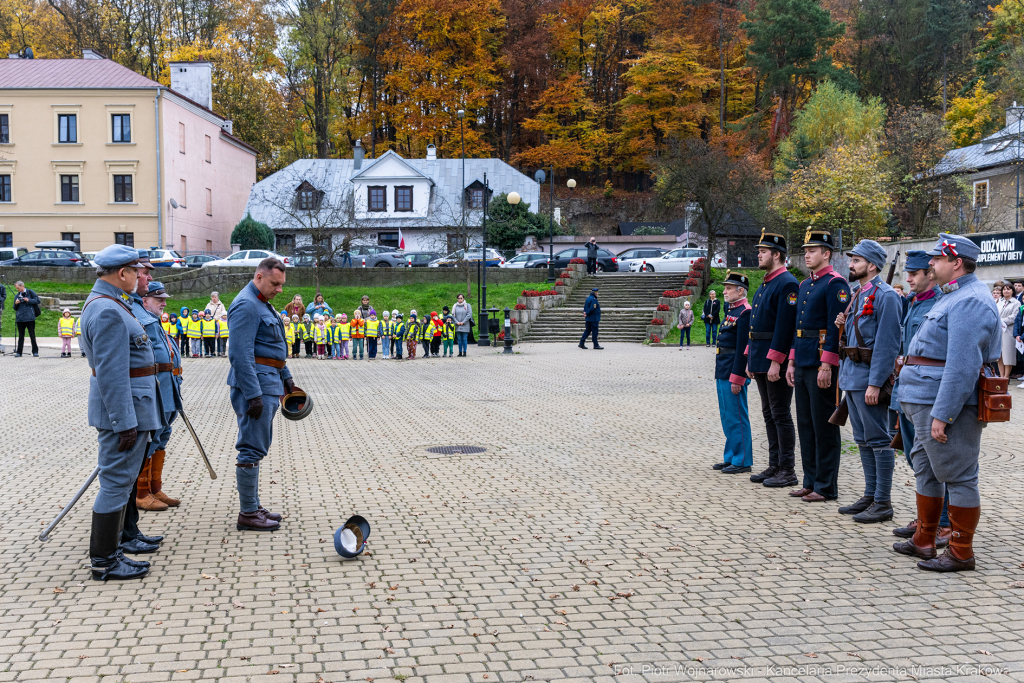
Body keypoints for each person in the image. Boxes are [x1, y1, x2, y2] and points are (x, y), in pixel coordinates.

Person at [895, 233, 1001, 571]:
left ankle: (960, 551)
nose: (931, 264)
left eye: (938, 259)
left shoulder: (970, 300)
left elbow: (963, 365)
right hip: (922, 398)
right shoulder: (951, 296)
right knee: (926, 471)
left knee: (959, 475)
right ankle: (925, 539)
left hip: (942, 403)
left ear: (956, 263)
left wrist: (944, 414)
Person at [79, 244, 163, 581]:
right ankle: (104, 561)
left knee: (120, 482)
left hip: (132, 409)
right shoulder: (109, 311)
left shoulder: (112, 304)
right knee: (115, 484)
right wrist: (124, 422)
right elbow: (111, 373)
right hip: (124, 413)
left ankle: (113, 551)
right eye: (135, 270)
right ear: (123, 273)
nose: (140, 275)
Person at [227, 258, 302, 532]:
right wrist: (253, 395)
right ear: (259, 277)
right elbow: (239, 353)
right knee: (251, 446)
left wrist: (287, 378)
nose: (280, 290)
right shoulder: (247, 304)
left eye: (282, 285)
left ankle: (253, 505)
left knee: (257, 446)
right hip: (255, 386)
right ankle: (248, 513)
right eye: (275, 284)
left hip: (268, 381)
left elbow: (271, 348)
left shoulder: (260, 302)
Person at [836, 239, 901, 523]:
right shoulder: (857, 293)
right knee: (862, 440)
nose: (851, 265)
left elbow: (888, 344)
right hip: (852, 377)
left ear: (871, 265)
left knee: (879, 440)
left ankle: (883, 501)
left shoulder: (886, 296)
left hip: (868, 380)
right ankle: (870, 494)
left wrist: (876, 383)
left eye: (856, 260)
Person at [785, 230, 851, 503]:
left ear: (827, 253)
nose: (807, 254)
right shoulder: (804, 285)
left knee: (824, 425)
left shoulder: (836, 284)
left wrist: (827, 364)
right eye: (806, 250)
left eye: (813, 250)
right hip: (802, 359)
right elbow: (797, 327)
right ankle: (809, 480)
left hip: (821, 361)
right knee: (805, 424)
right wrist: (790, 360)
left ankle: (825, 485)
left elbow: (835, 330)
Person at [890, 251, 950, 548]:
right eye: (907, 274)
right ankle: (927, 520)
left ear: (929, 273)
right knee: (918, 460)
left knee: (937, 462)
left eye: (914, 274)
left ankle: (943, 523)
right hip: (908, 388)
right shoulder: (913, 303)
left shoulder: (940, 303)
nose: (909, 279)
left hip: (928, 393)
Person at [745, 231, 800, 488]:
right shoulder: (768, 282)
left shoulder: (787, 283)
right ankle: (775, 464)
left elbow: (785, 326)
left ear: (776, 255)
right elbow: (756, 325)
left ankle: (787, 469)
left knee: (780, 413)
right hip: (760, 357)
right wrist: (749, 358)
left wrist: (776, 360)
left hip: (772, 359)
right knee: (769, 413)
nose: (759, 254)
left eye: (763, 251)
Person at [138, 280, 183, 514]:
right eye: (159, 299)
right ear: (145, 300)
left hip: (168, 388)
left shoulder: (155, 320)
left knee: (162, 436)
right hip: (155, 389)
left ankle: (155, 488)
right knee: (151, 438)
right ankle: (142, 492)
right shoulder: (141, 320)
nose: (164, 303)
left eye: (164, 298)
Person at [713, 272, 754, 474]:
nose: (725, 291)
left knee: (737, 416)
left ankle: (742, 459)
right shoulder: (732, 310)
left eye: (729, 288)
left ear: (740, 290)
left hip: (733, 372)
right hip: (724, 368)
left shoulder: (745, 312)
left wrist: (738, 377)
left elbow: (743, 347)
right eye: (725, 287)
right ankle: (731, 456)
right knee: (727, 416)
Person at [12, 281, 40, 357]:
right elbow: (14, 308)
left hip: (30, 318)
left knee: (32, 335)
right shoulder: (17, 295)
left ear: (22, 286)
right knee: (21, 336)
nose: (17, 289)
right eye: (16, 288)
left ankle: (35, 351)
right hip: (20, 319)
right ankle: (19, 352)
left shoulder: (30, 292)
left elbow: (38, 301)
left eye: (18, 288)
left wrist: (28, 300)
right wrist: (16, 303)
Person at [996, 282, 1017, 378]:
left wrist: (1002, 321)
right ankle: (1001, 376)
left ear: (1012, 291)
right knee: (999, 354)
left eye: (1008, 289)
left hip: (1008, 330)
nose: (1006, 291)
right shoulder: (998, 301)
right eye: (1004, 289)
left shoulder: (1016, 302)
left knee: (1008, 354)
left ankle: (1006, 376)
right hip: (998, 330)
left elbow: (1014, 317)